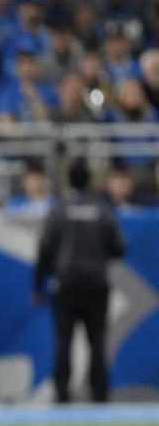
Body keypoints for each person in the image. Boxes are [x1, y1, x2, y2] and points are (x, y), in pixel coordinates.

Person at [32, 160, 126, 403]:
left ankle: (62, 392)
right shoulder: (102, 210)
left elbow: (45, 251)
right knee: (97, 341)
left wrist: (36, 286)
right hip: (96, 284)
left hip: (65, 285)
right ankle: (100, 392)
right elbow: (118, 248)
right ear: (90, 181)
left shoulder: (59, 210)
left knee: (63, 340)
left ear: (69, 181)